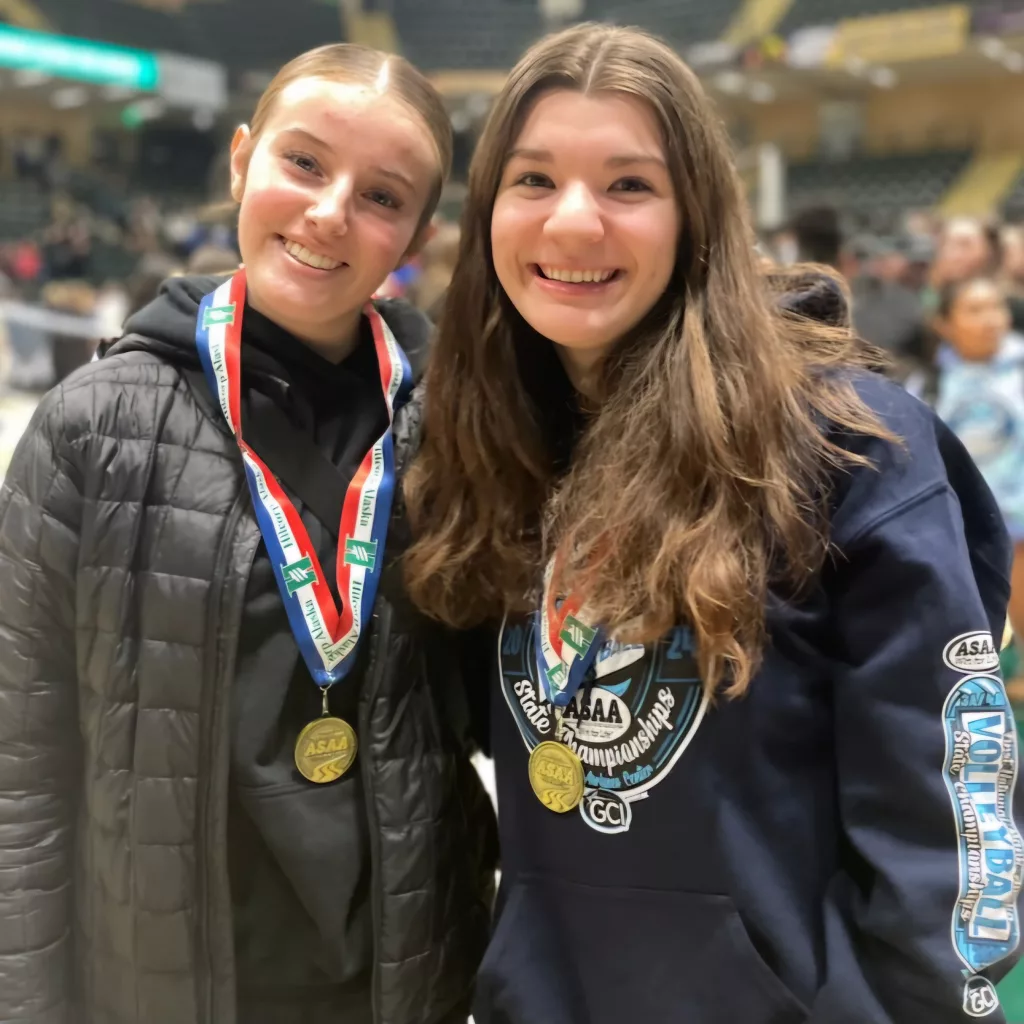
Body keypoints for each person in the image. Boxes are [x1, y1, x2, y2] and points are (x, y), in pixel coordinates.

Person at [404, 22, 1023, 1024]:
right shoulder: (494, 443)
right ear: (483, 217)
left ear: (699, 213)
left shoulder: (845, 446)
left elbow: (949, 827)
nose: (571, 223)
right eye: (532, 180)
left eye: (628, 185)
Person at [0, 43, 495, 1024]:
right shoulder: (92, 428)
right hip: (160, 983)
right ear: (241, 160)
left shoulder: (455, 427)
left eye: (381, 195)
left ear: (416, 230)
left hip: (402, 983)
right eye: (303, 163)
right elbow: (23, 776)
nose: (328, 212)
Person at [921, 278, 1024, 657]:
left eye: (997, 307)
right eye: (975, 310)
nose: (991, 320)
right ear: (944, 323)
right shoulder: (925, 384)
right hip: (958, 546)